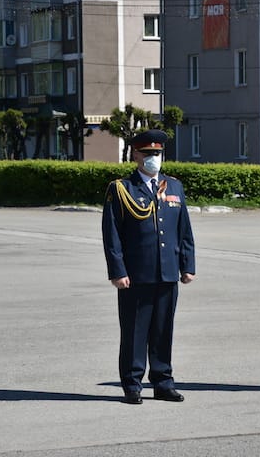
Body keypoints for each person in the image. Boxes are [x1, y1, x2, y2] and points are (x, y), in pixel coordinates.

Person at [102, 129, 196, 405]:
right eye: (147, 153)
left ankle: (163, 381)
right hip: (136, 274)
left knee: (162, 330)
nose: (153, 158)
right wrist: (118, 271)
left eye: (157, 153)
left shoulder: (173, 186)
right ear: (135, 155)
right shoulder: (121, 188)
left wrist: (187, 265)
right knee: (134, 331)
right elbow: (112, 234)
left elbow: (184, 231)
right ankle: (132, 384)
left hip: (167, 272)